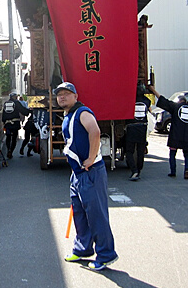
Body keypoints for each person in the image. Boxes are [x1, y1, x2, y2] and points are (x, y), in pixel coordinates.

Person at [55, 82, 118, 271]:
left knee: (96, 215)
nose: (62, 97)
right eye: (59, 95)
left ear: (76, 96)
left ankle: (106, 254)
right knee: (80, 215)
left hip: (91, 172)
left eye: (66, 94)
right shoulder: (68, 115)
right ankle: (82, 250)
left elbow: (95, 131)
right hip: (77, 174)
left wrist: (91, 157)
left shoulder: (82, 112)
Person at [148, 85, 188, 179]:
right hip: (187, 136)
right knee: (187, 154)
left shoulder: (176, 107)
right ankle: (187, 170)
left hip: (176, 135)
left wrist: (153, 90)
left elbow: (164, 100)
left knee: (172, 153)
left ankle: (173, 171)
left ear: (179, 101)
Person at [125, 83, 152, 181]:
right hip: (142, 127)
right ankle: (138, 170)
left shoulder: (129, 100)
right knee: (141, 150)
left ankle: (134, 170)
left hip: (132, 127)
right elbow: (150, 111)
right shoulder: (147, 101)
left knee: (129, 151)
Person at [2, 92, 31, 159]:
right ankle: (11, 151)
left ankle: (8, 149)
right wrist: (29, 112)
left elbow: (3, 113)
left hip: (7, 123)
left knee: (8, 137)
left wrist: (3, 121)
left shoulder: (6, 103)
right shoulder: (16, 103)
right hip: (15, 123)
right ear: (15, 97)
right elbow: (22, 110)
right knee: (14, 137)